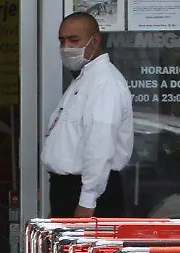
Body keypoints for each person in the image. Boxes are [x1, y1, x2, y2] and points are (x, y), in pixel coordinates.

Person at [41, 12, 133, 219]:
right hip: (70, 188)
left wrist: (87, 201)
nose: (66, 47)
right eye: (62, 41)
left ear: (95, 41)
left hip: (88, 192)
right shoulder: (84, 79)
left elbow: (100, 145)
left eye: (74, 40)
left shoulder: (104, 83)